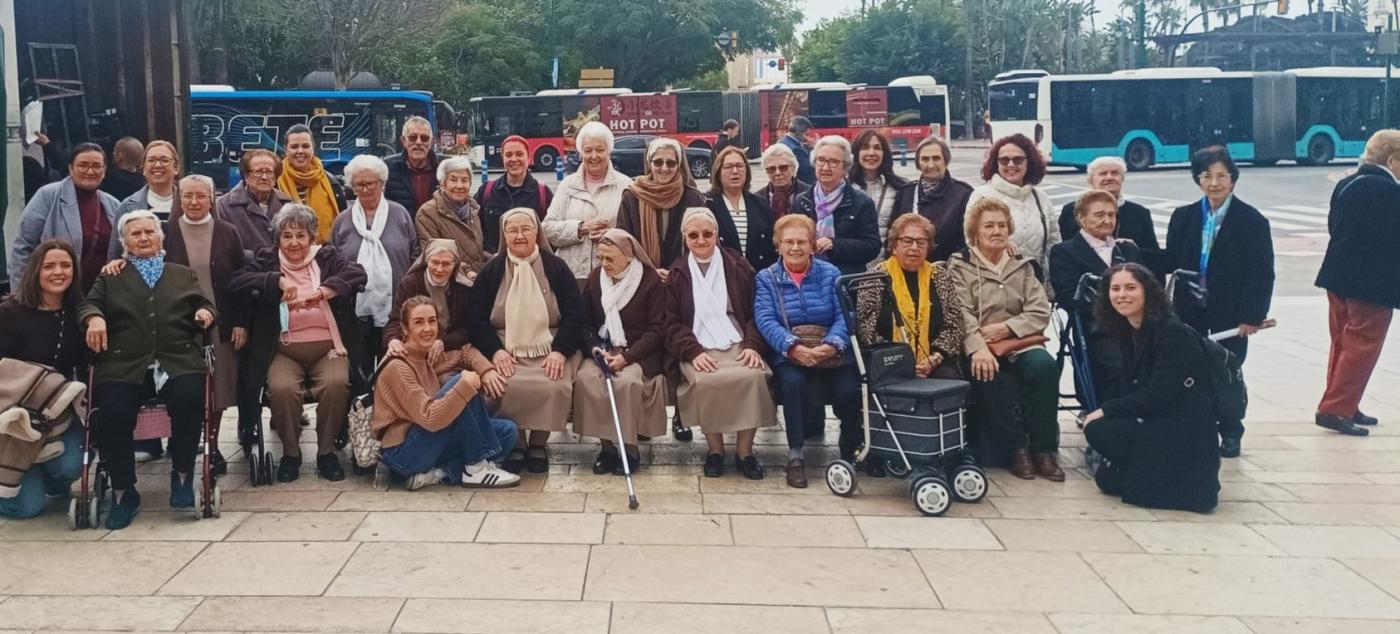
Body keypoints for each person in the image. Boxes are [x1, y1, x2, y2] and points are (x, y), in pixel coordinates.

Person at [101, 175, 248, 475]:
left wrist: (240, 321)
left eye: (201, 196)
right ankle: (177, 443)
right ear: (179, 200)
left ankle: (212, 445)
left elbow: (240, 280)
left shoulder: (228, 232)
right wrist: (118, 262)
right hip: (174, 323)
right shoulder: (164, 231)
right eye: (187, 196)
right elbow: (141, 258)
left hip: (214, 320)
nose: (194, 202)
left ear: (211, 199)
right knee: (180, 387)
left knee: (214, 389)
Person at [79, 210, 216, 529]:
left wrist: (204, 312)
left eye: (149, 232)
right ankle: (124, 492)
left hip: (176, 358)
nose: (143, 238)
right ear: (124, 242)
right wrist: (94, 318)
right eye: (135, 234)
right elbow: (88, 303)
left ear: (161, 238)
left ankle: (182, 475)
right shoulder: (111, 275)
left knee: (189, 398)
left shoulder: (181, 273)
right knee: (113, 412)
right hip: (125, 363)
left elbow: (205, 304)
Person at [231, 204, 367, 483]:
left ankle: (326, 452)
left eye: (300, 236)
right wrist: (274, 281)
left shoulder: (327, 257)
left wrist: (324, 292)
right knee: (281, 389)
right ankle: (291, 454)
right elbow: (236, 282)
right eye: (287, 236)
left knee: (335, 385)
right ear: (278, 238)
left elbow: (357, 274)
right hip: (282, 348)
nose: (294, 242)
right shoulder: (267, 259)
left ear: (312, 237)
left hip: (329, 347)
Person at [1083, 263, 1220, 513]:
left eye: (1130, 288)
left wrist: (1107, 410)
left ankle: (1164, 475)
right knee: (1107, 479)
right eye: (1115, 289)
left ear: (1147, 291)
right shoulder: (1128, 329)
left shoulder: (1171, 332)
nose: (1121, 295)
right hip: (1157, 414)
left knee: (1099, 429)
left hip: (1181, 423)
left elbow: (1159, 393)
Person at [1165, 145, 1274, 458]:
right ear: (1198, 180)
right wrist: (1129, 250)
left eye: (1221, 176)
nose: (1214, 183)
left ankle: (1230, 431)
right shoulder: (1184, 217)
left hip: (1231, 313)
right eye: (1206, 176)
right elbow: (1172, 258)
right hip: (1189, 309)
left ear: (1233, 180)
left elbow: (1261, 273)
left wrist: (1252, 316)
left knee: (1227, 372)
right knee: (1190, 371)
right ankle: (1197, 427)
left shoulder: (1252, 221)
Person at [948, 198, 1062, 481]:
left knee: (1045, 367)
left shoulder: (1022, 266)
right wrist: (977, 349)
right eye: (989, 225)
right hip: (980, 344)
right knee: (987, 373)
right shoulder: (959, 266)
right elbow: (960, 313)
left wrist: (1007, 328)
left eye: (1002, 225)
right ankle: (1016, 449)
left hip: (1019, 342)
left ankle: (1043, 449)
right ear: (975, 231)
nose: (996, 231)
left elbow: (1039, 311)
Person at [468, 208, 586, 474]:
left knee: (553, 384)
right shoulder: (493, 270)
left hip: (551, 342)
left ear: (537, 231)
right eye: (513, 230)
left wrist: (560, 352)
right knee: (505, 384)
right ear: (504, 234)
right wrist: (495, 352)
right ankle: (517, 444)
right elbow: (475, 319)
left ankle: (538, 445)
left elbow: (575, 314)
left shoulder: (555, 267)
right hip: (503, 344)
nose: (520, 236)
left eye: (526, 229)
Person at [754, 214, 861, 489]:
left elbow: (845, 315)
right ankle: (796, 454)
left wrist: (831, 346)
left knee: (850, 389)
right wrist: (793, 347)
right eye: (788, 241)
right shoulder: (766, 278)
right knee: (792, 384)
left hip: (830, 351)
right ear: (778, 245)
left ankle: (851, 447)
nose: (795, 247)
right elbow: (765, 319)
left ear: (813, 245)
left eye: (802, 241)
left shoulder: (831, 274)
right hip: (790, 353)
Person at [667, 208, 775, 479]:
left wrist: (752, 345)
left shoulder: (737, 265)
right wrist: (692, 352)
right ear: (685, 238)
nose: (701, 240)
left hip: (737, 338)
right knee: (706, 380)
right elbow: (670, 323)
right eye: (694, 235)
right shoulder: (677, 272)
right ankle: (715, 451)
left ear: (717, 234)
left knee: (753, 376)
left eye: (707, 233)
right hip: (697, 343)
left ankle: (745, 452)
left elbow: (757, 311)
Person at [374, 297, 520, 490]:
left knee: (507, 432)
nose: (427, 328)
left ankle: (438, 473)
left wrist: (486, 370)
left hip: (427, 441)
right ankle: (476, 469)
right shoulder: (398, 366)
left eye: (432, 321)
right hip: (403, 454)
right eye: (419, 322)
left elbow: (466, 353)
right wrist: (465, 386)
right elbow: (430, 418)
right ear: (405, 329)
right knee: (461, 382)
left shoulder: (426, 355)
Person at [1314, 130, 1400, 436]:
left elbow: (1333, 225)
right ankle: (1335, 408)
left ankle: (1345, 402)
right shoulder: (1390, 193)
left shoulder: (1346, 183)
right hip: (1371, 284)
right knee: (1362, 345)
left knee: (1342, 342)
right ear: (1392, 159)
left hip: (1336, 275)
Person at [0, 241, 86, 519]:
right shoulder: (10, 313)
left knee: (70, 466)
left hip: (56, 412)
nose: (58, 272)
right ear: (35, 270)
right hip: (13, 416)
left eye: (66, 265)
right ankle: (23, 471)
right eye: (49, 266)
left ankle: (46, 475)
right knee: (26, 508)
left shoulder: (78, 313)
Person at [575, 229, 667, 474]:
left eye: (610, 259)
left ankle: (630, 448)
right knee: (587, 379)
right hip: (603, 348)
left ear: (628, 256)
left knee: (625, 383)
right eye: (601, 258)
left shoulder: (649, 281)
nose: (604, 264)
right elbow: (584, 323)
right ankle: (606, 448)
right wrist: (595, 348)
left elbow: (657, 330)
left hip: (638, 351)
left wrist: (626, 357)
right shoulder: (596, 279)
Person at [331, 154, 419, 385]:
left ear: (382, 183)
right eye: (359, 184)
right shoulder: (343, 220)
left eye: (372, 183)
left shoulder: (400, 214)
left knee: (392, 367)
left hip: (395, 306)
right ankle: (361, 413)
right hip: (355, 310)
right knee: (358, 371)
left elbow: (414, 253)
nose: (366, 188)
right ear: (352, 187)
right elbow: (333, 262)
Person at [1050, 189, 1143, 403]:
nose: (1107, 220)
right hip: (1098, 328)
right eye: (1099, 215)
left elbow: (1147, 289)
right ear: (1081, 218)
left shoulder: (1127, 250)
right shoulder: (1065, 252)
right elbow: (1068, 297)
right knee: (1121, 363)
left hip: (1139, 325)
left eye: (1111, 215)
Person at [10, 143, 121, 293]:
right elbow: (23, 247)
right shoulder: (48, 196)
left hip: (99, 296)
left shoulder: (113, 205)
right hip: (53, 294)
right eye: (82, 165)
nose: (90, 171)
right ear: (70, 169)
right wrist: (20, 295)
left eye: (96, 166)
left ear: (104, 171)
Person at [617, 137, 731, 275]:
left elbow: (704, 242)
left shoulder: (693, 198)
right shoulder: (632, 196)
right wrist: (649, 272)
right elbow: (623, 242)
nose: (664, 168)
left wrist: (675, 272)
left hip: (683, 279)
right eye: (658, 162)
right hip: (642, 279)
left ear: (679, 165)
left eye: (671, 163)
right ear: (649, 163)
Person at [877, 214, 965, 382]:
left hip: (934, 361)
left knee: (949, 380)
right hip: (888, 362)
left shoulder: (941, 277)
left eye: (921, 242)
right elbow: (867, 330)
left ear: (928, 247)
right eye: (907, 241)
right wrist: (902, 363)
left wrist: (933, 360)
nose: (914, 247)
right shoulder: (875, 278)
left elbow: (954, 325)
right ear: (894, 245)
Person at [542, 122, 633, 281]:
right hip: (571, 276)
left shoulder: (626, 186)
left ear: (609, 151)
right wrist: (581, 227)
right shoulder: (567, 185)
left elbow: (636, 234)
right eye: (588, 150)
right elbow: (547, 229)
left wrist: (612, 236)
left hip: (613, 276)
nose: (594, 156)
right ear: (580, 153)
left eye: (600, 150)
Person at [967, 134, 1060, 276]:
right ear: (996, 163)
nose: (1011, 165)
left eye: (1018, 160)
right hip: (997, 282)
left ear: (1030, 162)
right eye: (1004, 160)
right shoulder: (982, 196)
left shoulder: (1041, 199)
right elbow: (970, 240)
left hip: (1037, 285)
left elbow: (1054, 246)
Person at [792, 135, 881, 276]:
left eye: (833, 162)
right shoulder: (801, 201)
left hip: (845, 279)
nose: (825, 167)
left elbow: (872, 247)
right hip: (808, 277)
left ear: (845, 167)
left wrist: (834, 244)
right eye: (820, 160)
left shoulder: (862, 202)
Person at [384, 240, 475, 360]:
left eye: (446, 264)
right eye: (435, 262)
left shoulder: (463, 289)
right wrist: (393, 340)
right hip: (417, 348)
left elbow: (469, 328)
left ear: (455, 265)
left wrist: (443, 342)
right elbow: (396, 320)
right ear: (427, 261)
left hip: (453, 350)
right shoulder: (410, 284)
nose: (439, 269)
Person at [1056, 156, 1161, 259]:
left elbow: (1157, 257)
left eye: (1115, 173)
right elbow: (1062, 250)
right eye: (1103, 173)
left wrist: (1133, 250)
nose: (1109, 177)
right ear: (1091, 180)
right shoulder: (1072, 211)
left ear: (1122, 179)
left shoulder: (1140, 213)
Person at [894, 136, 972, 263]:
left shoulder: (963, 194)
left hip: (947, 269)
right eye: (925, 159)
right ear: (918, 163)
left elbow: (968, 240)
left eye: (936, 158)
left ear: (946, 161)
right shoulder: (906, 193)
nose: (931, 165)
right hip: (908, 268)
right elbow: (893, 236)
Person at [476, 135, 555, 252]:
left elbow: (551, 233)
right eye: (508, 155)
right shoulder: (487, 190)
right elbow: (475, 230)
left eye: (519, 154)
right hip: (494, 264)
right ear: (502, 158)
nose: (514, 159)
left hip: (531, 265)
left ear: (528, 157)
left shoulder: (543, 193)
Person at [415, 155, 487, 278]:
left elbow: (475, 252)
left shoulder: (474, 209)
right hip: (449, 285)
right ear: (442, 184)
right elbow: (434, 254)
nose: (459, 186)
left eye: (464, 180)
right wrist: (467, 271)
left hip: (476, 282)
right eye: (453, 180)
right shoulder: (427, 213)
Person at [849, 129, 914, 263]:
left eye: (877, 148)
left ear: (884, 154)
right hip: (855, 264)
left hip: (889, 265)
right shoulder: (845, 188)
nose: (871, 153)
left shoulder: (900, 188)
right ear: (856, 153)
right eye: (865, 148)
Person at [217, 148, 293, 260]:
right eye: (258, 172)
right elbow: (224, 248)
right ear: (246, 176)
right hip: (245, 271)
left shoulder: (288, 204)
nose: (264, 177)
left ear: (276, 177)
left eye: (269, 172)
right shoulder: (223, 206)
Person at [749, 143, 812, 272]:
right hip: (769, 266)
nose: (777, 173)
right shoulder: (755, 200)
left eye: (783, 168)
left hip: (804, 262)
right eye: (771, 169)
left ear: (794, 168)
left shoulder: (810, 195)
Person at [277, 124, 342, 243]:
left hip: (324, 253)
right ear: (286, 150)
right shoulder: (275, 182)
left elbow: (342, 221)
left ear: (313, 148)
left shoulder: (330, 182)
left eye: (306, 146)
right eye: (294, 147)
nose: (300, 151)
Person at [707, 145, 771, 259]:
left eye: (740, 166)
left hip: (756, 273)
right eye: (728, 167)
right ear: (718, 172)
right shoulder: (707, 204)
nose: (735, 171)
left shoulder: (760, 204)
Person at [112, 141, 182, 241]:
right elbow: (116, 253)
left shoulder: (188, 203)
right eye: (151, 160)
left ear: (176, 168)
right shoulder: (127, 207)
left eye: (165, 160)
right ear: (143, 168)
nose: (157, 165)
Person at [383, 116, 440, 217]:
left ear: (431, 142)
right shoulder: (387, 168)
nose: (418, 142)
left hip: (435, 232)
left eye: (424, 138)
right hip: (401, 231)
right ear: (404, 141)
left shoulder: (444, 168)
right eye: (413, 138)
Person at [99, 136, 146, 201]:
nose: (113, 153)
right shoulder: (144, 181)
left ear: (120, 156)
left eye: (114, 151)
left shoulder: (108, 177)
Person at [779, 115, 816, 185]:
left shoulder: (783, 142)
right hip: (803, 186)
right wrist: (812, 148)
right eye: (806, 134)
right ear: (799, 132)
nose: (807, 138)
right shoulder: (795, 149)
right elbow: (808, 169)